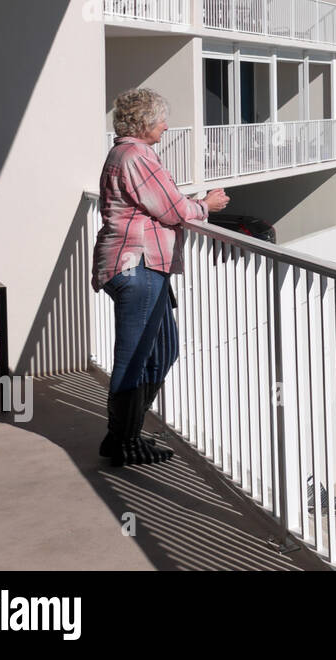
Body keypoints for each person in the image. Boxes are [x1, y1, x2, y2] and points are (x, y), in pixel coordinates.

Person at [91, 88, 230, 465]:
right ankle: (122, 442)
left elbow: (162, 204)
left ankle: (128, 435)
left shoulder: (127, 154)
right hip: (137, 265)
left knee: (164, 351)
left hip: (147, 267)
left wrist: (191, 205)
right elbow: (172, 209)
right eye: (162, 120)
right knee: (134, 357)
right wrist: (207, 205)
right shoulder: (136, 155)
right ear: (144, 123)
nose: (166, 127)